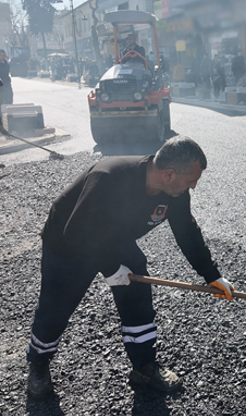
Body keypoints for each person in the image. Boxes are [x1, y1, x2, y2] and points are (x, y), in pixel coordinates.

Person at [24, 135, 234, 399]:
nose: (193, 187)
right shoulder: (109, 177)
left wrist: (212, 276)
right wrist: (111, 269)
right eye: (192, 180)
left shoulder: (174, 193)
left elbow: (187, 233)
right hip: (67, 242)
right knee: (56, 306)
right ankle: (39, 365)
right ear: (170, 174)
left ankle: (144, 365)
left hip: (114, 239)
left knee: (137, 297)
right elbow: (76, 232)